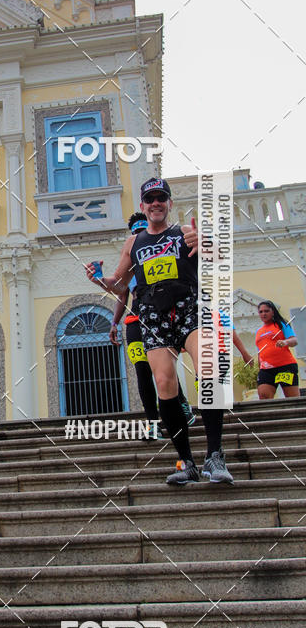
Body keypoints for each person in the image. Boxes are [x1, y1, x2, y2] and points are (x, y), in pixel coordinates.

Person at [86, 177, 232, 485]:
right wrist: (98, 279)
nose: (156, 203)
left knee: (208, 369)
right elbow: (119, 284)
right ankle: (187, 462)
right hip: (151, 315)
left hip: (190, 306)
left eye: (161, 198)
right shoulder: (134, 244)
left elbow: (218, 260)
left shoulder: (184, 233)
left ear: (169, 203)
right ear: (142, 205)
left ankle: (215, 457)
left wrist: (207, 244)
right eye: (150, 198)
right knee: (165, 383)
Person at [109, 212, 195, 440]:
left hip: (163, 314)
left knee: (164, 369)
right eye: (135, 231)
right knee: (142, 372)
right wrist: (114, 322)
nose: (139, 235)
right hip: (136, 319)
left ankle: (182, 403)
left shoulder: (167, 250)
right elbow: (122, 292)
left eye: (142, 229)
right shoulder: (132, 256)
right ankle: (152, 423)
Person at [255, 300, 300, 399]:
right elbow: (260, 351)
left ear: (273, 312)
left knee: (292, 399)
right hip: (266, 370)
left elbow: (294, 340)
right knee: (263, 395)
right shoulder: (258, 331)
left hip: (285, 367)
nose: (263, 314)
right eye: (261, 312)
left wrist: (285, 342)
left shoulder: (281, 324)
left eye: (266, 311)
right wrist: (259, 367)